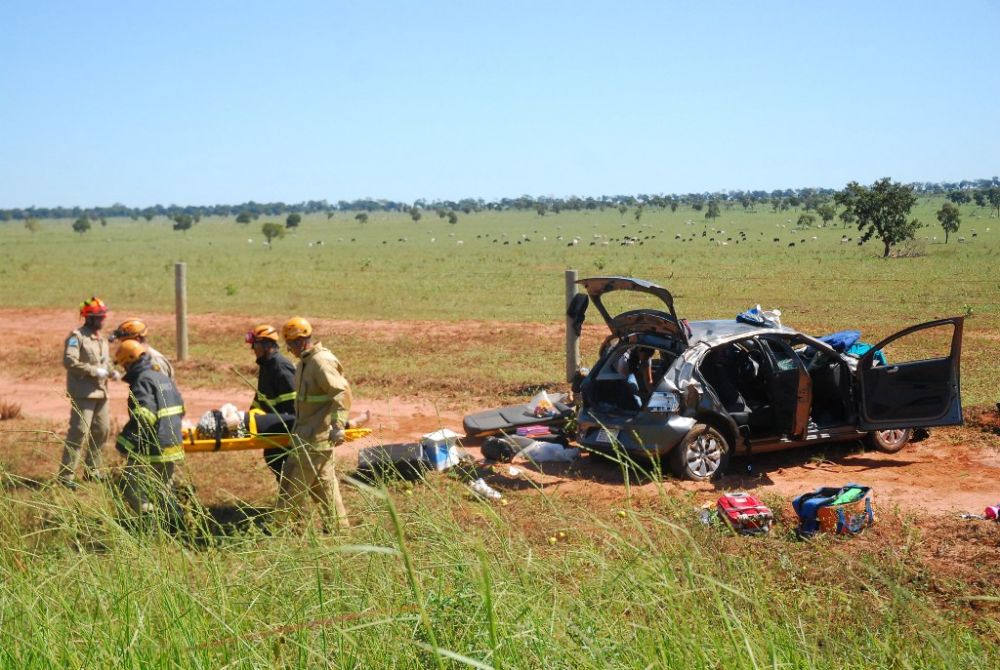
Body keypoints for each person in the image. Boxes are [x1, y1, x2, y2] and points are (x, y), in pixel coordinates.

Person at [276, 316, 351, 531]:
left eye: (290, 344)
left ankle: (279, 530)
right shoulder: (304, 363)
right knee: (324, 484)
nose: (289, 350)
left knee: (294, 486)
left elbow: (341, 393)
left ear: (300, 342)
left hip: (317, 439)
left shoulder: (321, 362)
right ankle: (340, 530)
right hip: (304, 436)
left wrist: (338, 427)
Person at [113, 339, 187, 521]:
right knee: (163, 489)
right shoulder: (161, 377)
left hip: (154, 445)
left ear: (130, 361)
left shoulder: (142, 380)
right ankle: (177, 526)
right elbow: (181, 408)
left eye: (124, 364)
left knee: (130, 486)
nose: (124, 368)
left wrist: (126, 441)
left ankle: (149, 523)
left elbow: (144, 415)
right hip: (172, 443)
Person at [59, 297, 115, 488]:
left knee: (102, 430)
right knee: (79, 432)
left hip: (102, 392)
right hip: (84, 393)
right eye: (99, 317)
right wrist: (93, 371)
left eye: (103, 316)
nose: (102, 320)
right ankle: (66, 476)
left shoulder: (101, 339)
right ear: (88, 318)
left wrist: (111, 371)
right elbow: (70, 361)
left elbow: (105, 361)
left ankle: (93, 471)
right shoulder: (77, 337)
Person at [245, 324, 297, 480]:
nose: (253, 349)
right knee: (272, 457)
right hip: (276, 422)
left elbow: (294, 406)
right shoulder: (266, 365)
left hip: (289, 424)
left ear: (266, 345)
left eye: (255, 345)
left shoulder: (281, 367)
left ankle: (291, 491)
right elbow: (261, 398)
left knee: (278, 459)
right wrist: (247, 420)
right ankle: (288, 490)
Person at [109, 319, 174, 379]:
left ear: (137, 339)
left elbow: (161, 387)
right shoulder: (138, 360)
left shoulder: (154, 361)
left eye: (125, 341)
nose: (123, 345)